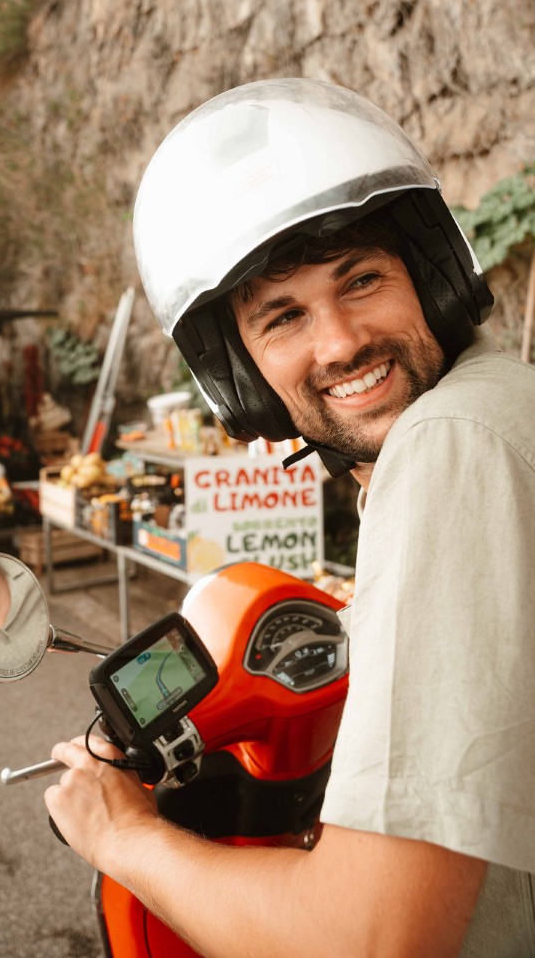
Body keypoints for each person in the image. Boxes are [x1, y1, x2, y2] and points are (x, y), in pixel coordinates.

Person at [45, 79, 535, 957]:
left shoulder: (446, 447)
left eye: (362, 279)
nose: (340, 341)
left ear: (430, 276)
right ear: (243, 371)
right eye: (284, 317)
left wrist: (122, 834)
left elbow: (373, 939)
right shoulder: (505, 404)